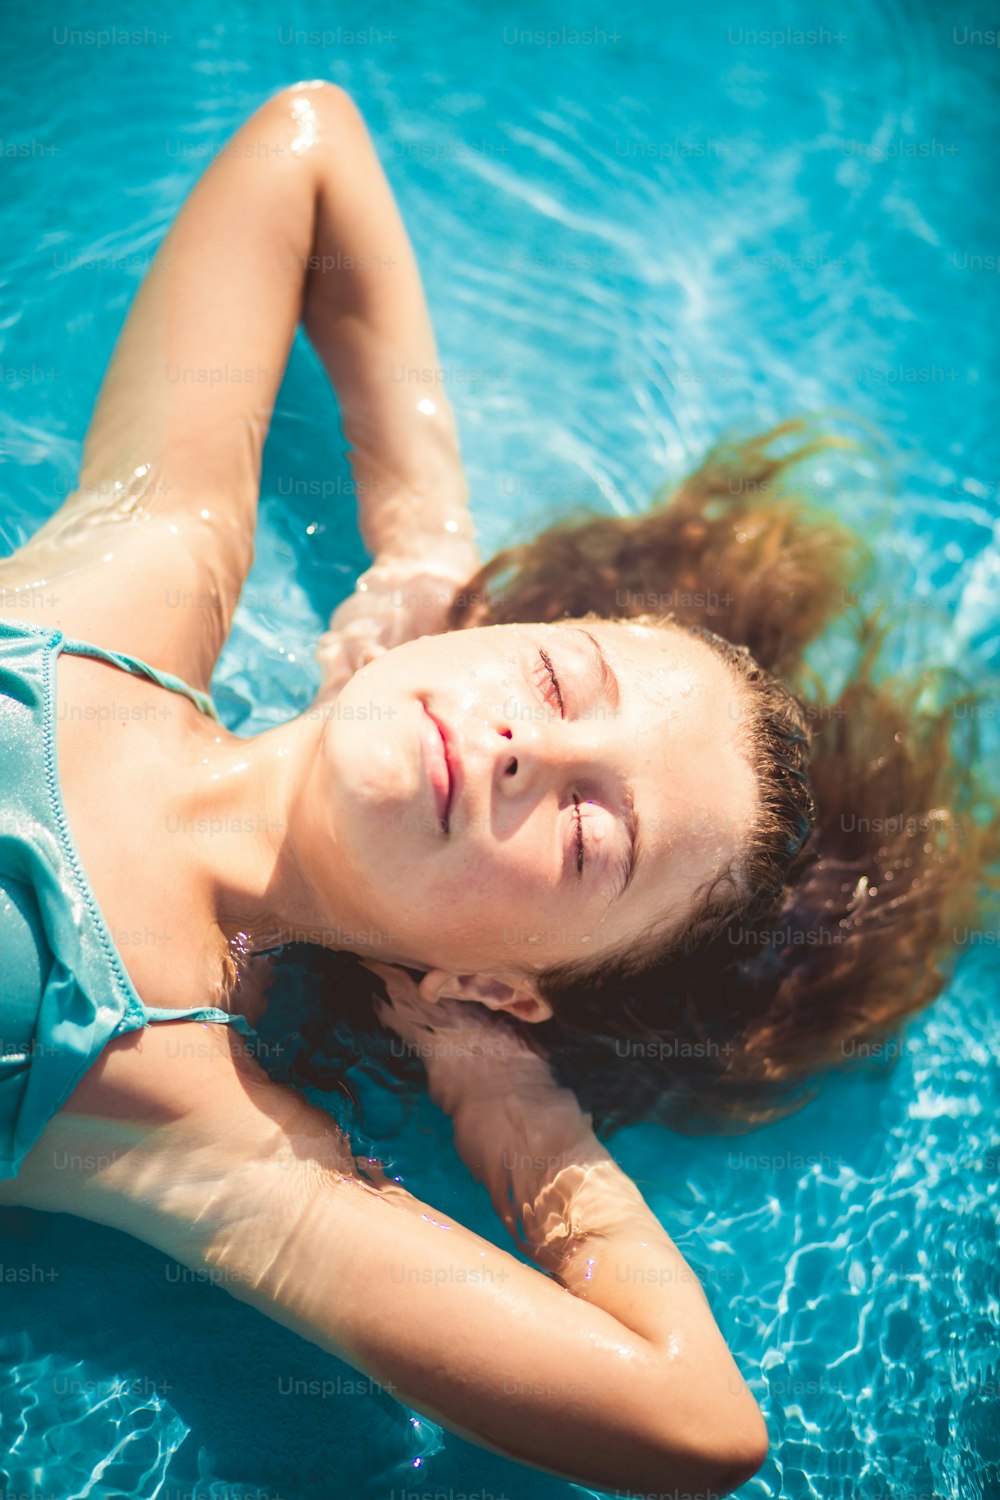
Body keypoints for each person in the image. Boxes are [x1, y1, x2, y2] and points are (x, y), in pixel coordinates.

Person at [0, 82, 990, 1495]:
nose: (532, 750)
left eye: (593, 834)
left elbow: (694, 1421)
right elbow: (309, 143)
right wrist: (422, 540)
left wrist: (518, 1118)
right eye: (560, 679)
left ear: (502, 985)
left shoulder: (201, 1124)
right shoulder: (139, 579)